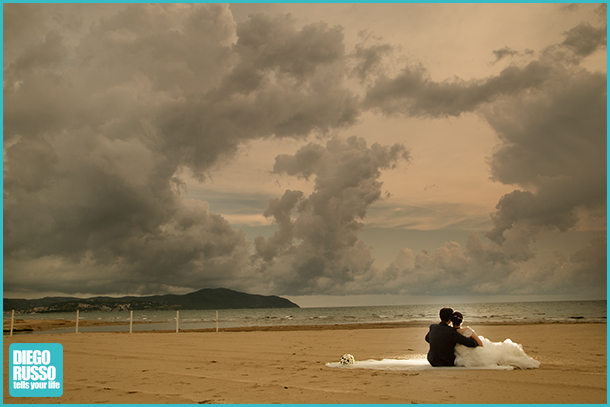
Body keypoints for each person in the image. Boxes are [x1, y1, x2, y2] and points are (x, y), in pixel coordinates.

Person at [451, 311, 540, 369]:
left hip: (461, 355)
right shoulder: (467, 330)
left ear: (452, 322)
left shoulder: (450, 332)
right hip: (472, 352)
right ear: (461, 321)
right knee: (496, 351)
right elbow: (480, 343)